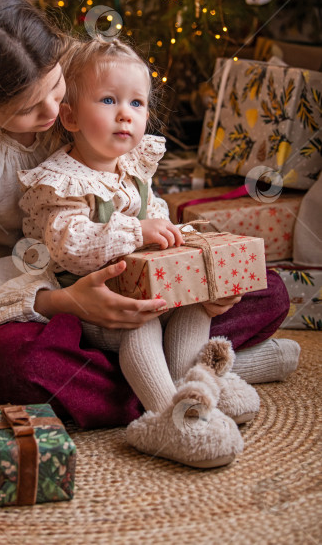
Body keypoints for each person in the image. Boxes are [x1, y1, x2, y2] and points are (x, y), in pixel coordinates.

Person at [0, 0, 299, 439]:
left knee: (265, 285)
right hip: (21, 308)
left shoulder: (82, 71)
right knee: (25, 368)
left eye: (55, 88)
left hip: (126, 283)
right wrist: (65, 302)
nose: (55, 113)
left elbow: (134, 194)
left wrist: (199, 276)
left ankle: (160, 370)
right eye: (29, 109)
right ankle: (200, 373)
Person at [17, 37, 264, 467]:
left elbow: (163, 225)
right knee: (142, 323)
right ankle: (168, 415)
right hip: (96, 303)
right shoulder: (62, 181)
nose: (125, 115)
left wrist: (201, 267)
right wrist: (137, 230)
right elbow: (70, 245)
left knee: (195, 306)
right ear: (70, 116)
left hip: (148, 286)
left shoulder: (135, 170)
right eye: (109, 99)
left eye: (136, 103)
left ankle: (199, 383)